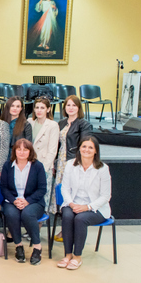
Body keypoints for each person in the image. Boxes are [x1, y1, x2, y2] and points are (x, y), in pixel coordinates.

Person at [58, 136, 111, 270]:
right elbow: (65, 188)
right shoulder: (70, 164)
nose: (86, 150)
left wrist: (87, 207)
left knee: (80, 219)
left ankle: (77, 257)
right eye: (84, 146)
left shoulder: (103, 169)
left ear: (96, 151)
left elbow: (106, 196)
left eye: (90, 147)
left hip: (95, 208)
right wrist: (71, 204)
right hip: (73, 203)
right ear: (79, 148)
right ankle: (68, 255)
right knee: (67, 216)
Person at [0, 139, 47, 265]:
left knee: (27, 214)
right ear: (14, 151)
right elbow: (3, 187)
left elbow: (42, 189)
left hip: (33, 201)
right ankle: (18, 246)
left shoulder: (37, 166)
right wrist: (14, 201)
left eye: (25, 150)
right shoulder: (7, 165)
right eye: (18, 149)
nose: (21, 152)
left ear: (30, 151)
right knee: (11, 214)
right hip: (12, 201)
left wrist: (27, 201)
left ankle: (37, 247)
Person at [52, 95, 92, 238]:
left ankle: (72, 230)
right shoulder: (61, 123)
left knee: (74, 193)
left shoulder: (84, 124)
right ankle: (66, 228)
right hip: (61, 162)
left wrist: (79, 163)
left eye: (74, 105)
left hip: (74, 162)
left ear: (79, 107)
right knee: (63, 195)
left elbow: (85, 146)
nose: (71, 108)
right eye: (68, 105)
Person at [30, 97, 59, 209]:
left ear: (48, 109)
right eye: (37, 107)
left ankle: (42, 219)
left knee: (43, 199)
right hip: (29, 164)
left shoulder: (52, 125)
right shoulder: (30, 122)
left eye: (42, 108)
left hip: (44, 166)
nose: (39, 110)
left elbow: (52, 150)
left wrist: (43, 168)